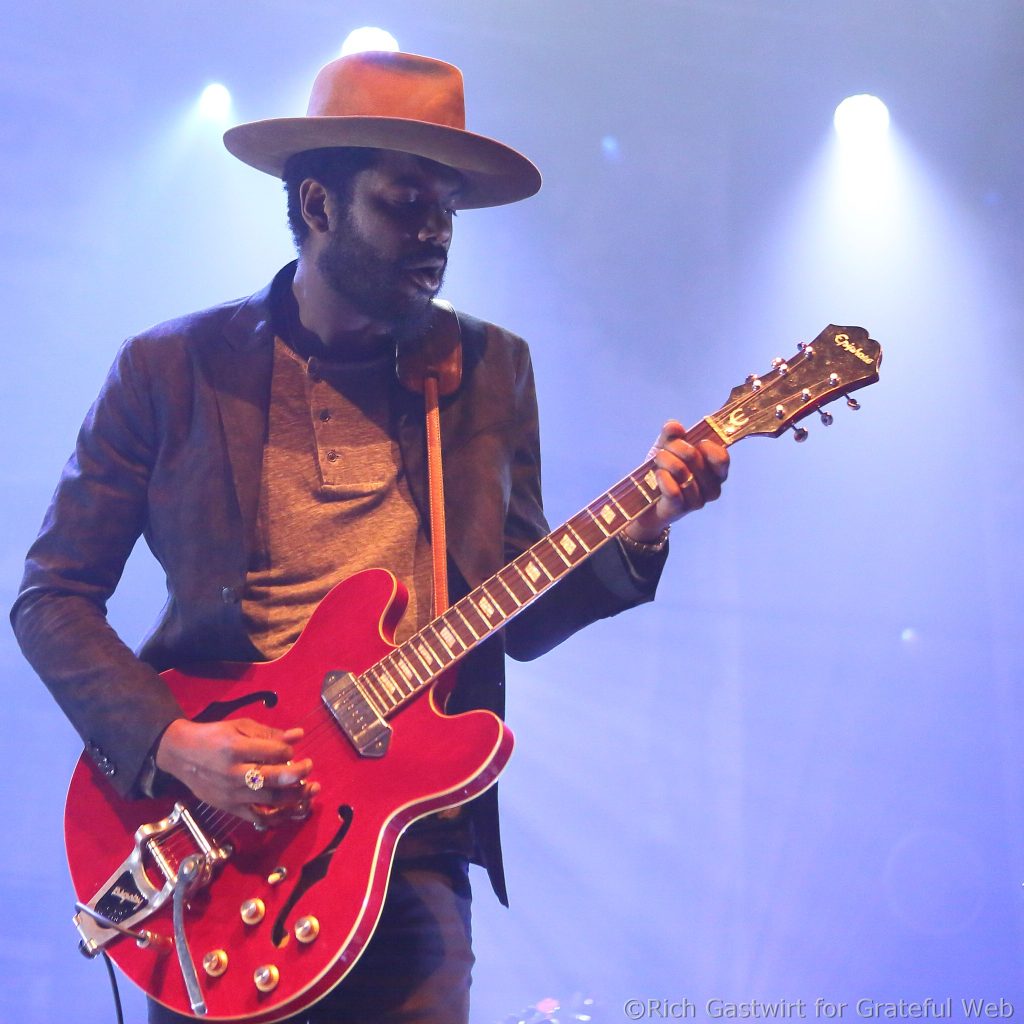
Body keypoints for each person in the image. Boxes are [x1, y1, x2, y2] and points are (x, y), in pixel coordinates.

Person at [11, 50, 729, 1023]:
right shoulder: (172, 369)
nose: (436, 232)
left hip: (410, 835)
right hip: (216, 834)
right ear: (317, 204)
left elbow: (515, 612)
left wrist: (636, 533)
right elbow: (52, 596)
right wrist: (174, 742)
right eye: (405, 202)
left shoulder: (488, 370)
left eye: (449, 208)